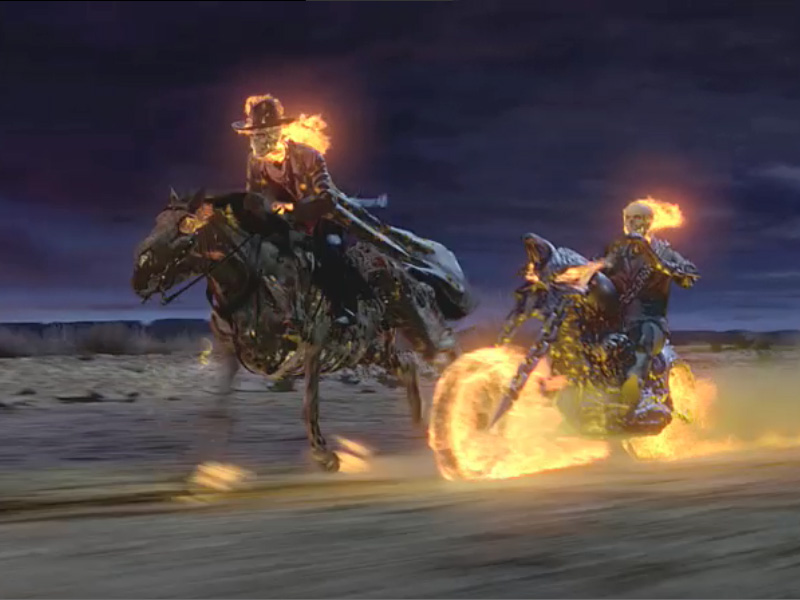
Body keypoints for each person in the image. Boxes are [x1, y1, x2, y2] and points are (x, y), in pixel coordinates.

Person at [232, 94, 371, 326]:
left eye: (265, 133)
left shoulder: (309, 156)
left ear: (279, 132)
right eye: (255, 134)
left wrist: (292, 209)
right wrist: (261, 211)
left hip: (320, 221)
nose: (259, 140)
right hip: (280, 226)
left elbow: (327, 199)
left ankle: (346, 309)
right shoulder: (254, 162)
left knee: (328, 254)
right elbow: (253, 197)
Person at [599, 200, 699, 411]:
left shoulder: (663, 252)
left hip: (650, 320)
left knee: (644, 341)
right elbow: (596, 270)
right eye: (628, 218)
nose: (631, 222)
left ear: (649, 221)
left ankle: (638, 392)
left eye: (637, 218)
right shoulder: (615, 250)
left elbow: (689, 276)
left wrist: (656, 261)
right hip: (617, 321)